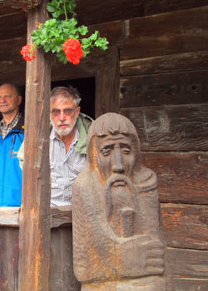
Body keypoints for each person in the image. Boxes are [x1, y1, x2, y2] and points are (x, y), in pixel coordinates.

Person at [72, 113, 173, 290]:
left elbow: (158, 257)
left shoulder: (145, 180)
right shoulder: (84, 186)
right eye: (107, 151)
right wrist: (125, 257)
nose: (118, 165)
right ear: (93, 154)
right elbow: (83, 268)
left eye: (126, 151)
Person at [18, 86, 93, 206]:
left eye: (67, 111)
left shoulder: (92, 137)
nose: (62, 118)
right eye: (56, 112)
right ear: (49, 114)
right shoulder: (37, 140)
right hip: (48, 214)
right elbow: (25, 166)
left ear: (77, 112)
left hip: (84, 214)